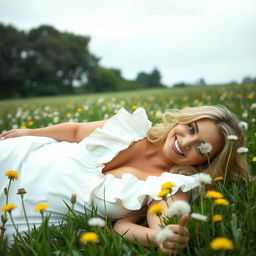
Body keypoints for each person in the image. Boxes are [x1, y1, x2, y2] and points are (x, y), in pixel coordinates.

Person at [0, 105, 249, 253]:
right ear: (185, 120)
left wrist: (162, 235)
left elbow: (128, 225)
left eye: (202, 147)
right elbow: (76, 131)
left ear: (206, 162)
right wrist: (28, 132)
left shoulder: (169, 184)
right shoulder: (132, 128)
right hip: (21, 158)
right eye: (192, 129)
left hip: (23, 214)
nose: (185, 142)